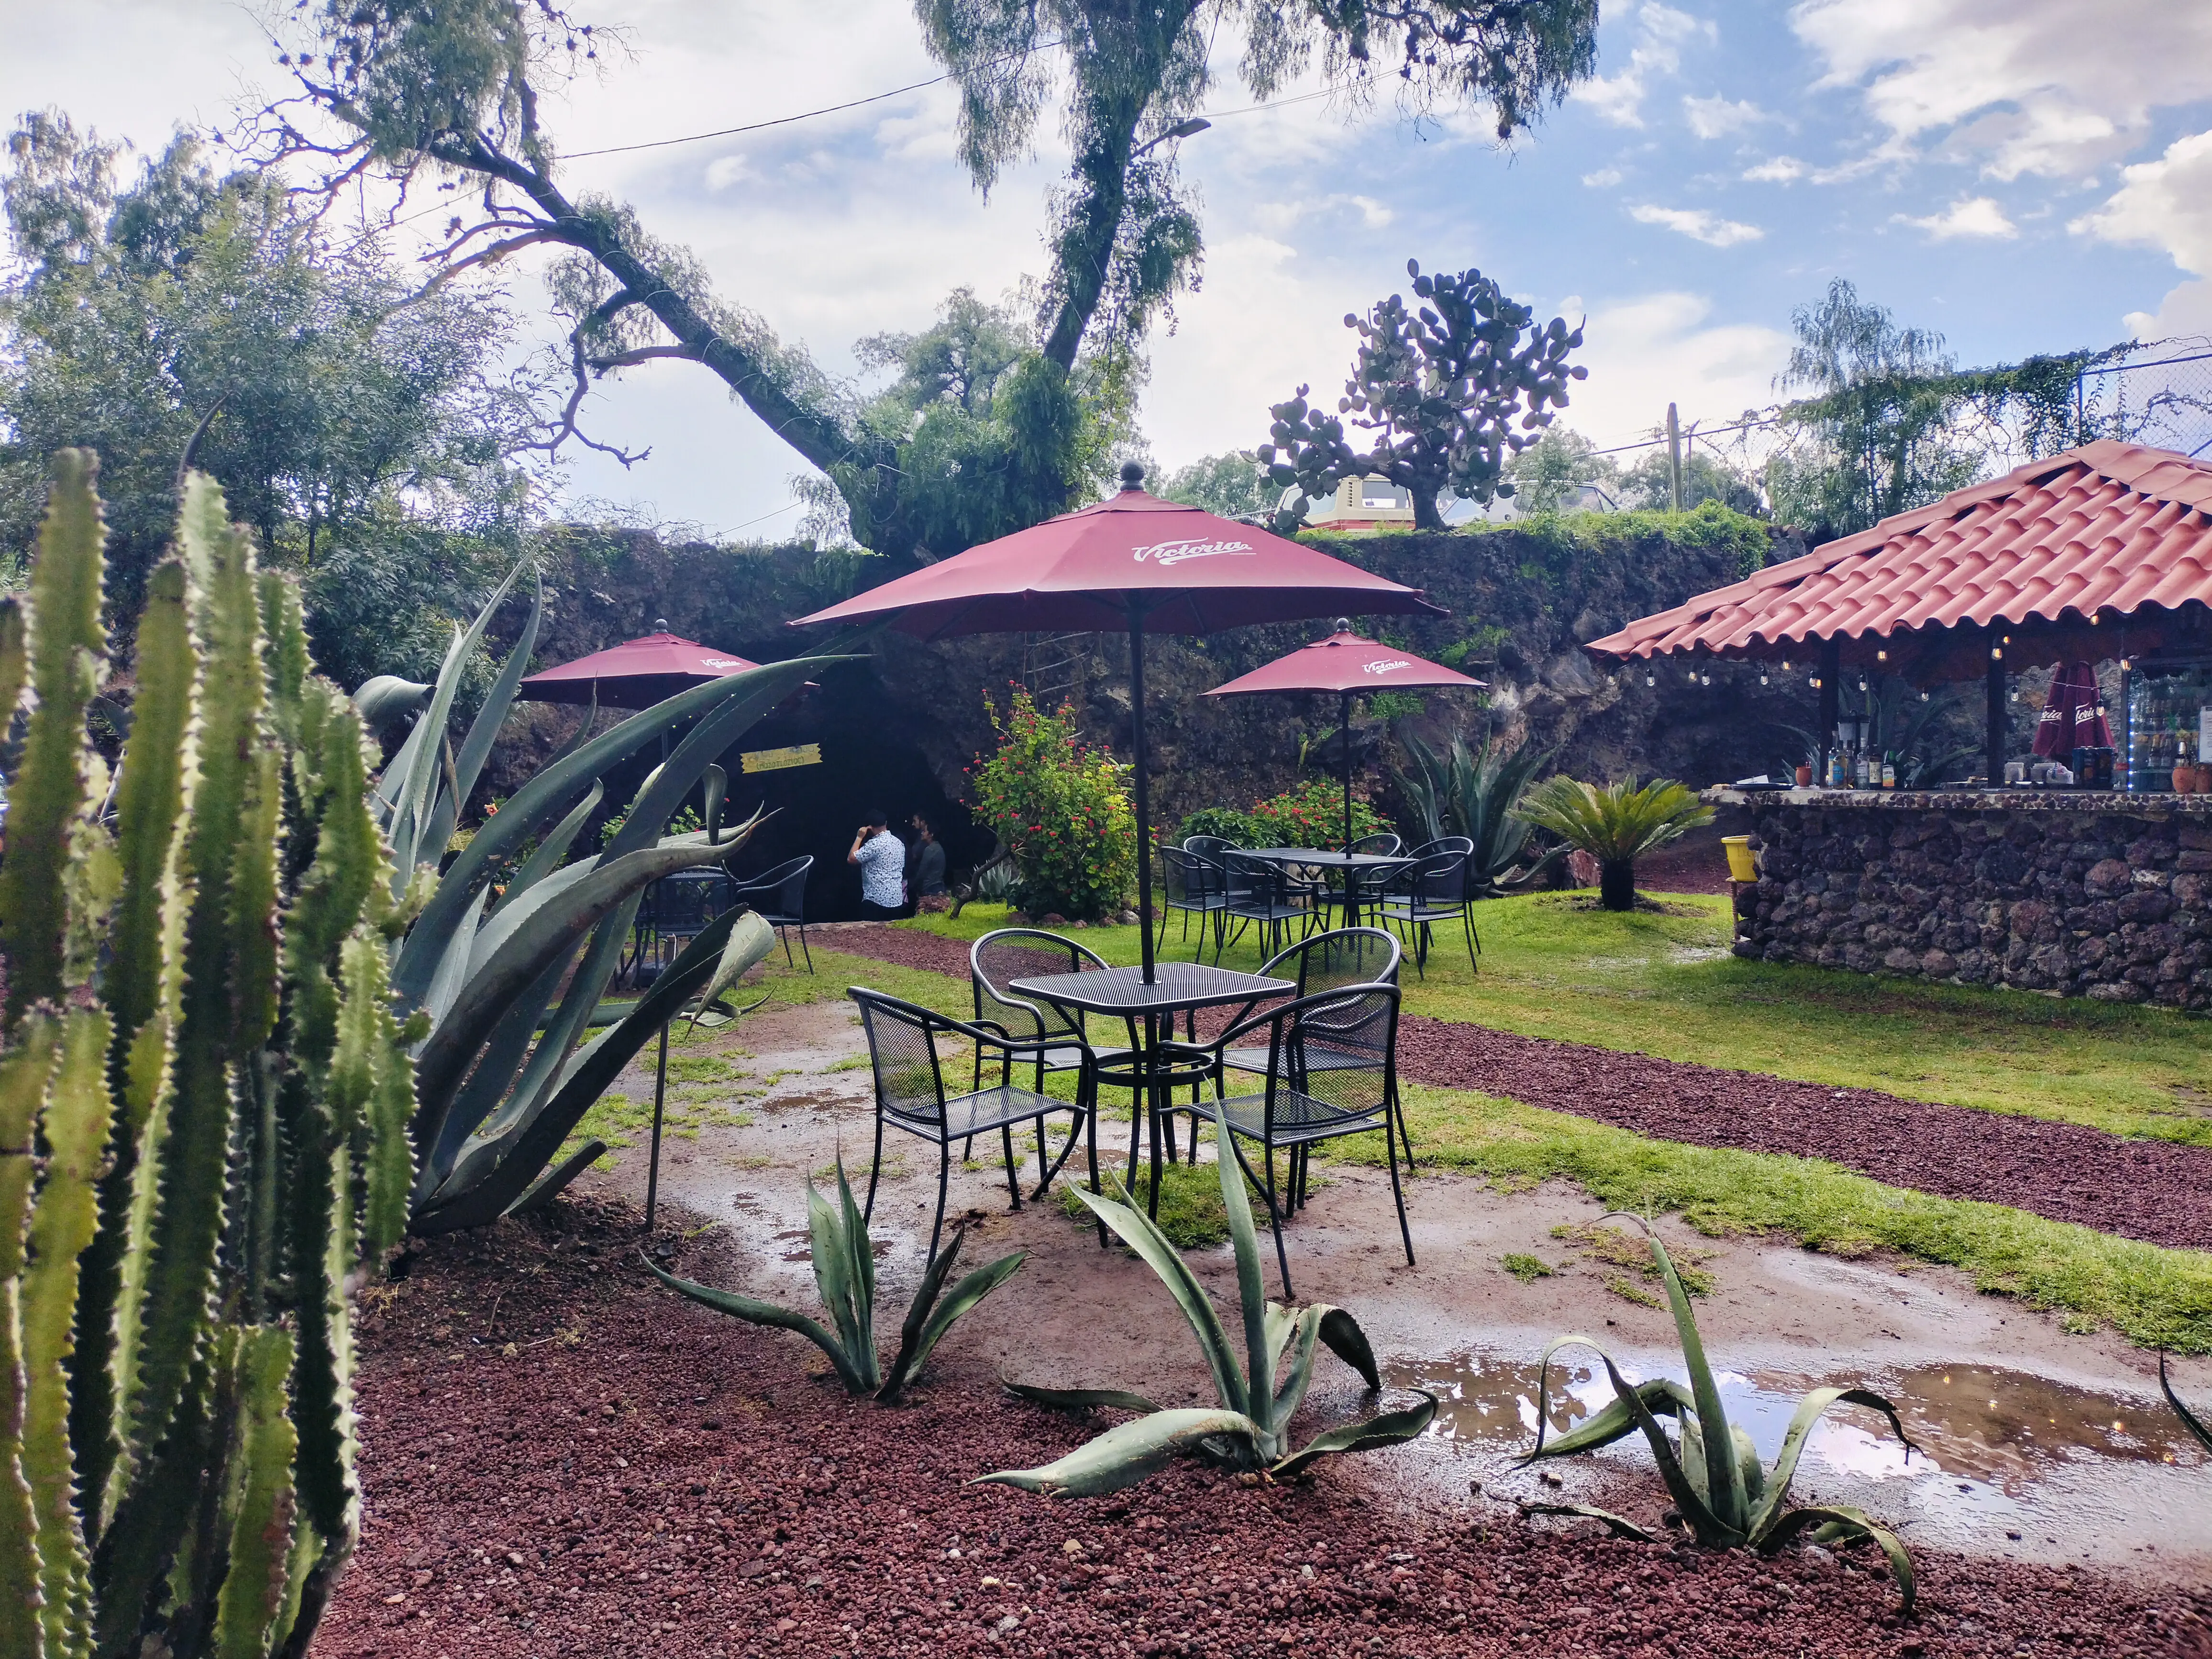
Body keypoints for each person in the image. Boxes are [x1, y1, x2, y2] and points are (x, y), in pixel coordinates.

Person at [848, 808, 907, 920]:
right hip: (897, 899)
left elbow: (852, 859)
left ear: (869, 828)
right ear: (886, 823)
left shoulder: (874, 844)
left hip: (876, 901)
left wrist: (859, 837)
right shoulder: (899, 843)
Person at [907, 812, 949, 912]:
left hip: (930, 887)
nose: (922, 833)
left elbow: (922, 872)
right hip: (938, 885)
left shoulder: (930, 850)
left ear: (931, 835)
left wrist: (913, 886)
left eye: (925, 831)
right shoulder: (938, 848)